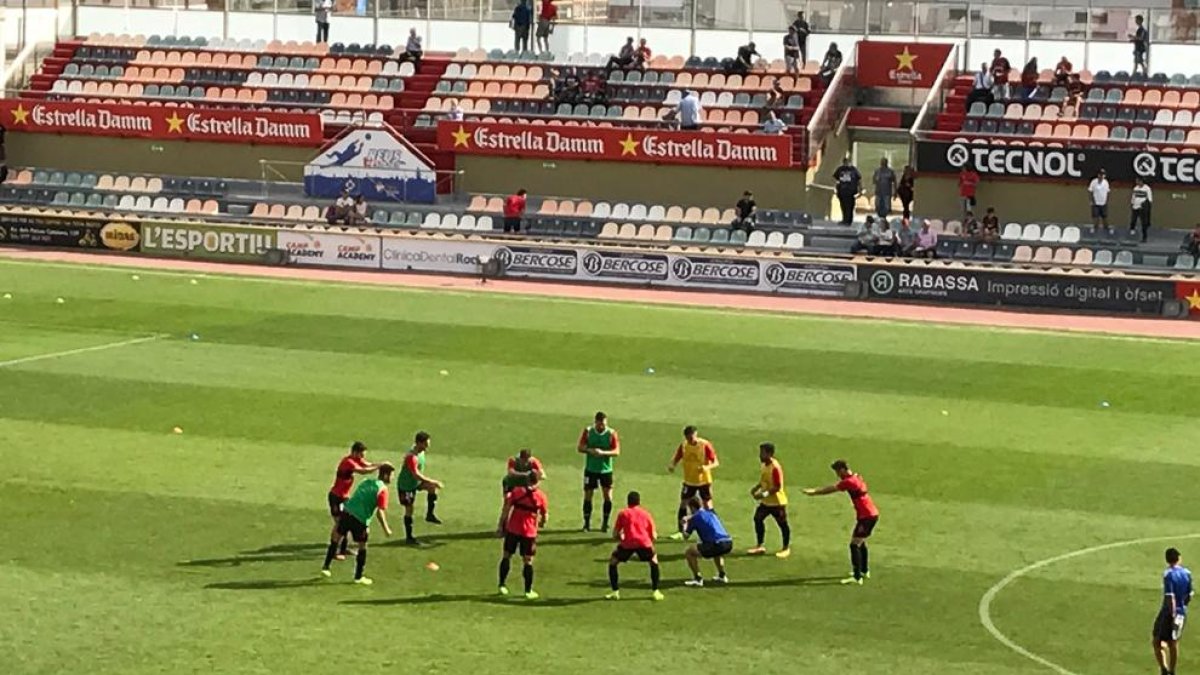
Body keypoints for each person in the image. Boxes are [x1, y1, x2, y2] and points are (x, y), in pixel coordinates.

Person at [802, 459, 880, 585]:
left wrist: (814, 492)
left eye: (838, 472)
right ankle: (864, 571)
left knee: (854, 544)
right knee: (861, 542)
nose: (837, 475)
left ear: (843, 469)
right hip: (870, 513)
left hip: (867, 516)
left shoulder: (849, 482)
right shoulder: (856, 477)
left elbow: (831, 489)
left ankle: (857, 577)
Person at [321, 463, 394, 584]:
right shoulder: (383, 490)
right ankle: (358, 577)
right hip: (360, 519)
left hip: (348, 512)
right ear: (386, 475)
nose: (392, 478)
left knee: (336, 538)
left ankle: (326, 567)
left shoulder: (366, 482)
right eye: (391, 475)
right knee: (362, 546)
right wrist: (386, 529)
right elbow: (380, 512)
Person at [497, 470, 549, 600]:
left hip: (513, 529)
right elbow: (545, 516)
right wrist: (541, 523)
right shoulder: (541, 496)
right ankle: (528, 590)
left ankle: (502, 584)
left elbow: (506, 509)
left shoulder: (516, 492)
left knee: (506, 556)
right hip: (529, 532)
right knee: (528, 561)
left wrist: (500, 526)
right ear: (537, 482)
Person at [605, 491, 664, 601]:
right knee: (653, 561)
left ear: (628, 502)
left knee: (613, 562)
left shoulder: (623, 513)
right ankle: (655, 591)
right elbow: (654, 536)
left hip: (628, 543)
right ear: (639, 502)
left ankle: (615, 591)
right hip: (643, 543)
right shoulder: (646, 514)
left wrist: (621, 538)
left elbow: (615, 534)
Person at [327, 441, 379, 561]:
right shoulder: (348, 462)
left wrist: (381, 464)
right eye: (361, 454)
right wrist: (379, 467)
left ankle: (343, 549)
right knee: (339, 524)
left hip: (345, 497)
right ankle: (334, 550)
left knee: (345, 522)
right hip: (336, 497)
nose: (363, 457)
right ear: (355, 452)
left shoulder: (356, 460)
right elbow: (362, 471)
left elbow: (367, 465)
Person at [666, 425, 719, 539]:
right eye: (689, 438)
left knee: (707, 505)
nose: (691, 440)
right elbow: (677, 457)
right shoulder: (684, 445)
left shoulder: (704, 445)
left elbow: (716, 462)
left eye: (692, 437)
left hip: (704, 480)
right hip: (689, 481)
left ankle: (714, 529)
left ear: (696, 434)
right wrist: (672, 465)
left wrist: (706, 467)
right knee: (683, 503)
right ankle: (681, 532)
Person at [396, 431, 443, 545]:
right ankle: (409, 537)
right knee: (409, 510)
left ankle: (429, 515)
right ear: (419, 443)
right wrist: (433, 481)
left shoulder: (420, 453)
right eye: (425, 444)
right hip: (406, 486)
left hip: (415, 483)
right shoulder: (412, 457)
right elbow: (415, 474)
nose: (427, 447)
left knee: (432, 488)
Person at [1153, 547, 1193, 675]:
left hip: (1169, 612)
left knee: (1156, 640)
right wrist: (1183, 608)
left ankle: (1164, 670)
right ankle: (1172, 671)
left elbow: (1170, 596)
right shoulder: (1187, 573)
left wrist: (1172, 613)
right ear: (1179, 558)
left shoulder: (1169, 574)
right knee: (1174, 641)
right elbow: (1190, 594)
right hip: (1182, 612)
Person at [578, 411, 620, 532]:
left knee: (607, 496)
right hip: (591, 469)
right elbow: (580, 447)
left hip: (606, 470)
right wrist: (590, 450)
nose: (602, 427)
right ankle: (586, 524)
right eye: (600, 424)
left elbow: (617, 451)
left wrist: (603, 453)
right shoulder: (588, 431)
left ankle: (605, 523)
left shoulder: (611, 433)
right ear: (595, 422)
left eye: (604, 424)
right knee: (588, 496)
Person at [747, 442, 789, 558]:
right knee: (757, 519)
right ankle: (759, 545)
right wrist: (756, 488)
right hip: (766, 502)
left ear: (769, 454)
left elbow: (777, 486)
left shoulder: (775, 467)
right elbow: (764, 480)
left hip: (777, 502)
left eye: (762, 453)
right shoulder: (764, 465)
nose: (760, 455)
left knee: (783, 525)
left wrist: (763, 494)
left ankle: (786, 548)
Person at [681, 498, 731, 587]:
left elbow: (686, 536)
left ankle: (698, 579)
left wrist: (684, 524)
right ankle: (722, 575)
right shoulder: (711, 513)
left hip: (716, 544)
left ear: (692, 508)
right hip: (728, 542)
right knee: (717, 553)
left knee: (689, 552)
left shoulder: (695, 518)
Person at [833, 157, 861, 225]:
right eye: (845, 162)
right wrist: (836, 187)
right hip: (842, 191)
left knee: (850, 206)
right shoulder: (840, 169)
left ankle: (849, 221)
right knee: (843, 206)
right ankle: (844, 219)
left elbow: (859, 179)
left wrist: (860, 189)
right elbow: (835, 178)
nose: (846, 164)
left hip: (851, 191)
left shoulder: (854, 170)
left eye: (847, 162)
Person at [1131, 177, 1153, 242]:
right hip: (1135, 207)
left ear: (1141, 181)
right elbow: (1133, 197)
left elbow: (1149, 199)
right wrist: (1132, 204)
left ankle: (1144, 237)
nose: (1136, 182)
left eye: (1137, 181)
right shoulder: (1135, 188)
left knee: (1144, 223)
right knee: (1133, 222)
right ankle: (1131, 235)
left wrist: (1146, 206)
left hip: (1142, 208)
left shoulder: (1147, 189)